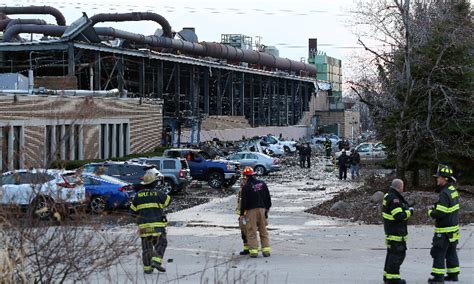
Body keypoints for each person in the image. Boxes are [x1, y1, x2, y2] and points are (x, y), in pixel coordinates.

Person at [130, 169, 171, 274]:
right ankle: (156, 261)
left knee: (147, 247)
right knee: (162, 243)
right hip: (157, 225)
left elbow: (132, 211)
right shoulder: (158, 193)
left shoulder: (138, 195)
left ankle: (148, 269)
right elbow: (168, 201)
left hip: (143, 227)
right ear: (154, 183)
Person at [427, 164, 460, 283]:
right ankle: (453, 275)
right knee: (451, 251)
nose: (436, 179)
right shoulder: (452, 190)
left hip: (444, 230)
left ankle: (438, 278)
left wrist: (431, 212)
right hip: (453, 229)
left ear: (445, 178)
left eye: (438, 177)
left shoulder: (444, 193)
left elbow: (440, 212)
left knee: (438, 252)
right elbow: (449, 207)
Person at [382, 179, 413, 284]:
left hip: (391, 231)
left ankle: (387, 277)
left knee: (391, 255)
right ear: (400, 187)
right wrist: (409, 212)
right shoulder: (395, 199)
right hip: (396, 232)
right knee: (397, 256)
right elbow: (398, 215)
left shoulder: (388, 196)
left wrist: (404, 207)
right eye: (403, 186)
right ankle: (393, 279)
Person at [240, 166, 272, 258]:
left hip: (251, 211)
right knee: (263, 230)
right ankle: (266, 251)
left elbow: (244, 202)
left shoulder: (246, 187)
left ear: (245, 177)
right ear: (253, 175)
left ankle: (254, 252)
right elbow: (268, 199)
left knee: (251, 231)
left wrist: (242, 214)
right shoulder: (262, 184)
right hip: (262, 209)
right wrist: (266, 210)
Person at [236, 174, 249, 255]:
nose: (243, 181)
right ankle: (246, 248)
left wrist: (243, 214)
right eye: (243, 179)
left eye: (245, 179)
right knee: (243, 233)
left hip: (246, 214)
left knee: (248, 231)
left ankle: (250, 248)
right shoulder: (242, 189)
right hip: (242, 214)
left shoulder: (248, 189)